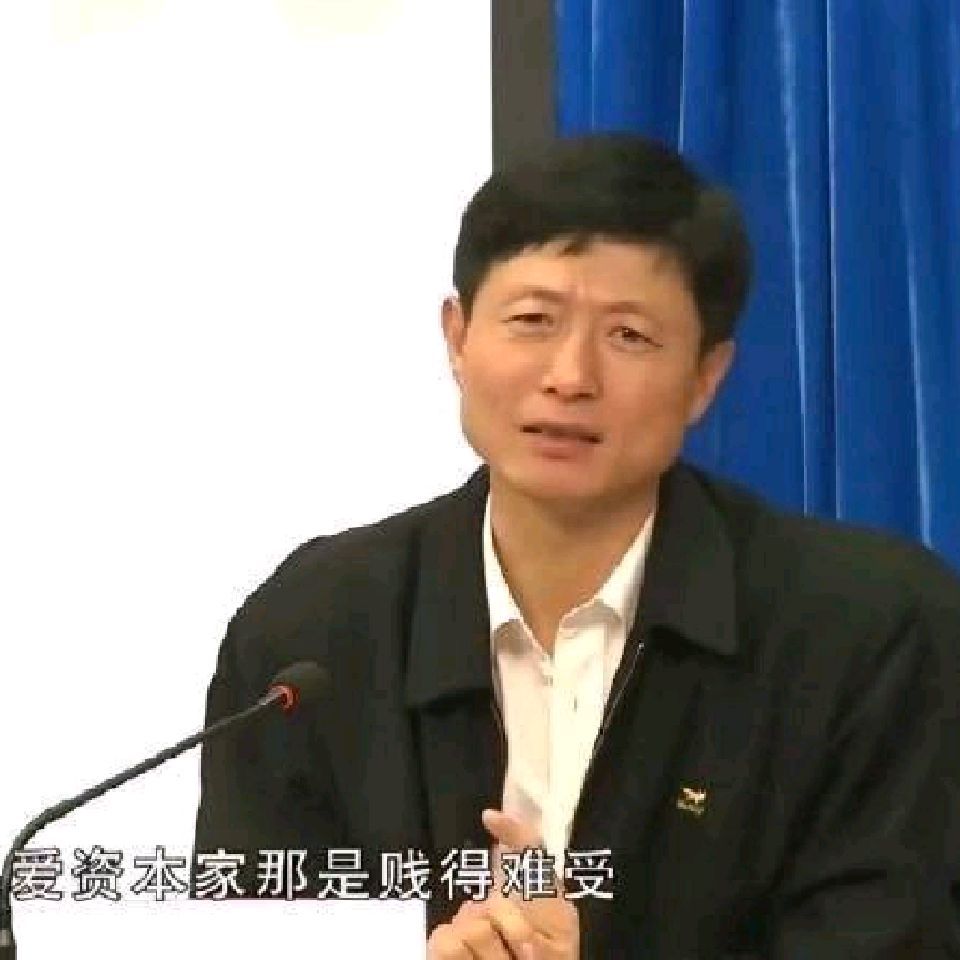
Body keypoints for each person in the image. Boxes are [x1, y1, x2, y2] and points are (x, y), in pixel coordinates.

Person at [193, 134, 960, 958]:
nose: (570, 376)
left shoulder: (869, 635)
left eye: (628, 336)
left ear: (706, 377)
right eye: (532, 321)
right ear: (457, 337)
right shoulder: (312, 634)